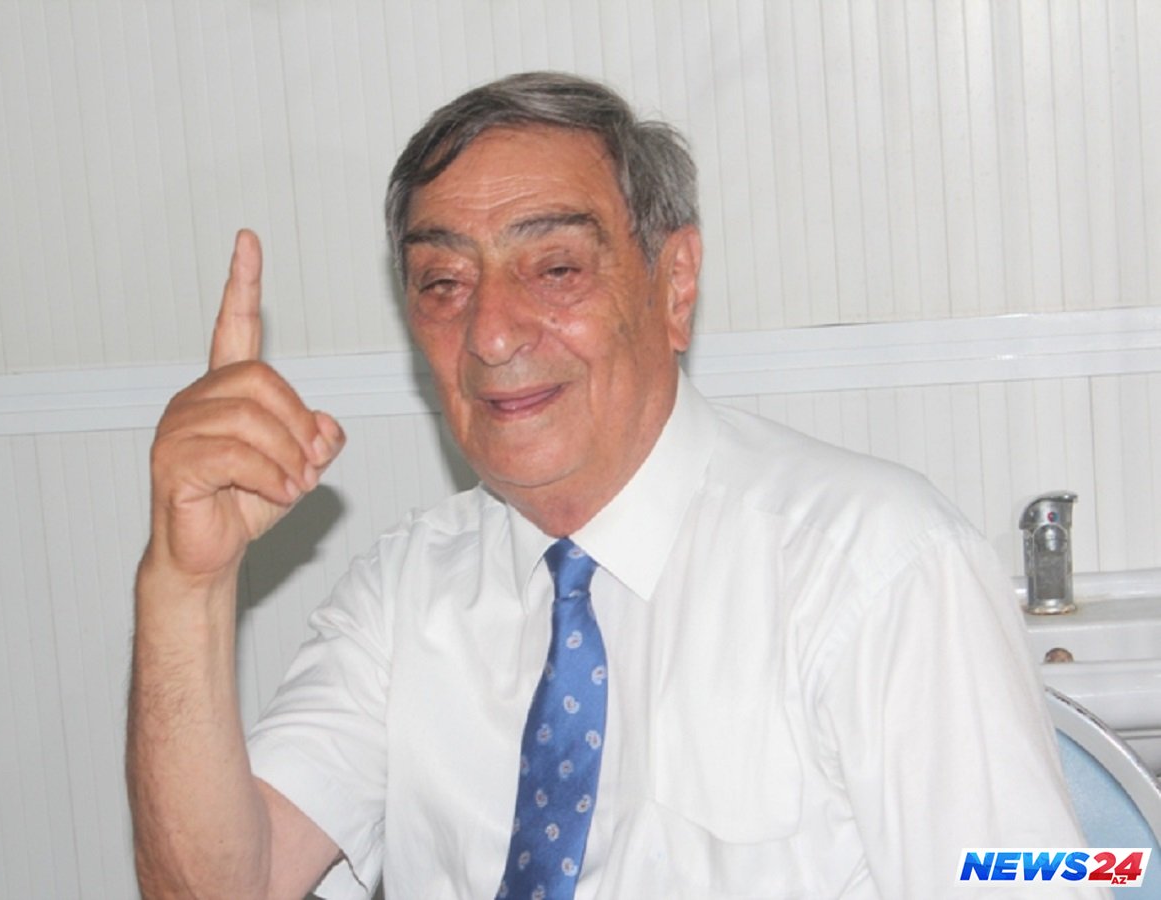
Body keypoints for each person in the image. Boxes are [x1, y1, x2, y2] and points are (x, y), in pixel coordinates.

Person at [127, 72, 1098, 899]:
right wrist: (186, 583)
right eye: (444, 283)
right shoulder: (404, 596)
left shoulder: (879, 568)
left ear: (674, 285)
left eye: (554, 268)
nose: (491, 333)